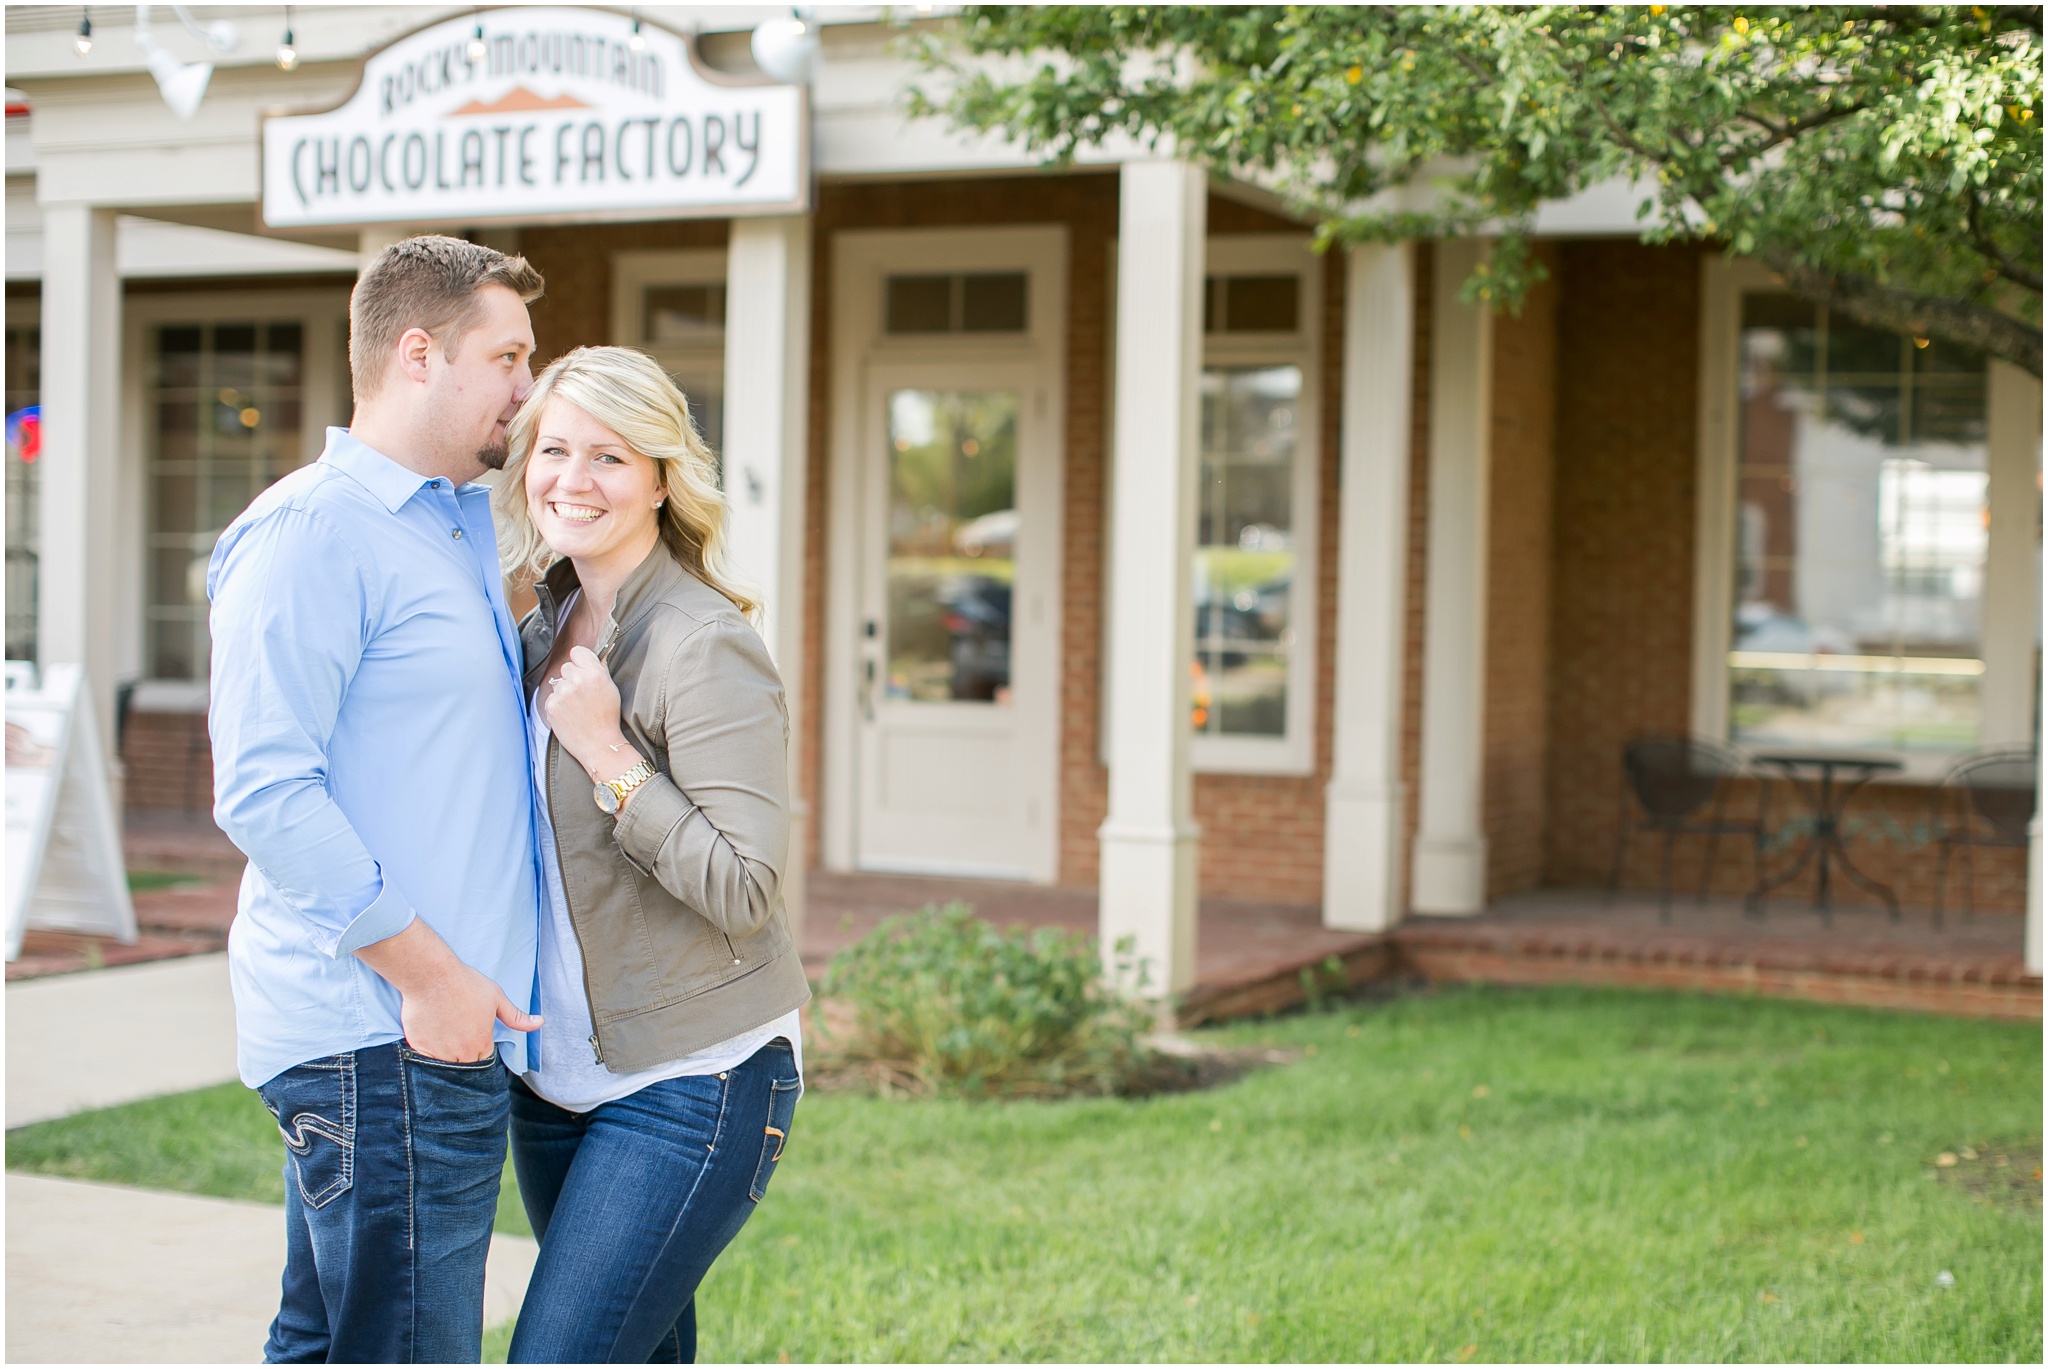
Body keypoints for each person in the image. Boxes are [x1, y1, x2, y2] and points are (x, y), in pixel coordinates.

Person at [208, 235, 547, 1363]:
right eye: (506, 356)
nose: (525, 387)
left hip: (416, 1040)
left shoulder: (449, 526)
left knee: (330, 1346)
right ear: (418, 353)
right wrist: (435, 979)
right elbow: (261, 788)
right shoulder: (314, 532)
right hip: (387, 1036)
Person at [493, 346, 810, 1364]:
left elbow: (745, 886)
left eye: (609, 458)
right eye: (553, 450)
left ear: (662, 478)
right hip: (556, 1078)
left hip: (692, 1076)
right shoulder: (543, 622)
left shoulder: (700, 641)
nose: (571, 480)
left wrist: (608, 755)